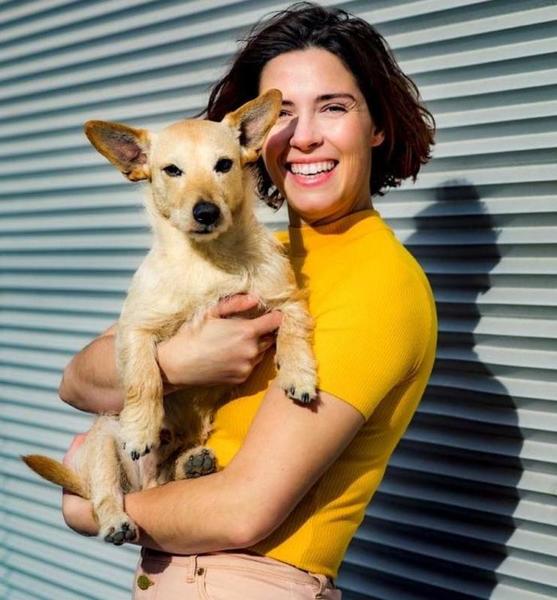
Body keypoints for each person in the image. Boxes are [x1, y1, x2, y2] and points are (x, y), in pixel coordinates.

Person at [59, 3, 437, 598]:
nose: (304, 135)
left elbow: (243, 511)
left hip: (248, 580)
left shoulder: (380, 282)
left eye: (334, 107)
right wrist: (178, 363)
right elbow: (78, 381)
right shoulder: (247, 253)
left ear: (378, 126)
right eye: (284, 113)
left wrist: (95, 508)